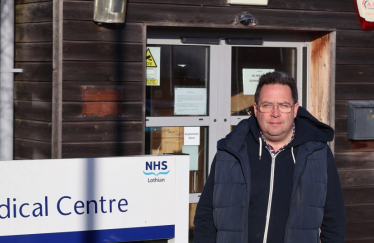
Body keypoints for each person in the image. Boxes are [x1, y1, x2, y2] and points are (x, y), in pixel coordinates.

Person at [193, 71, 346, 243]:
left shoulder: (318, 154)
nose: (275, 113)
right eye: (267, 105)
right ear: (256, 109)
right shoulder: (231, 152)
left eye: (283, 105)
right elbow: (206, 215)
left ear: (295, 109)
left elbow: (334, 219)